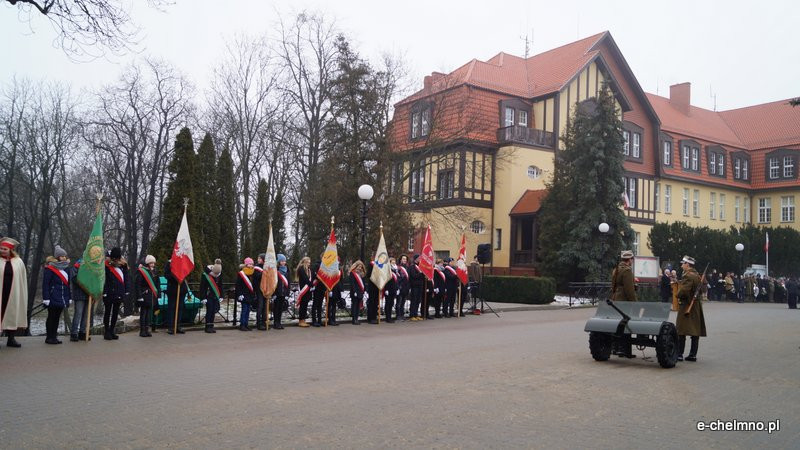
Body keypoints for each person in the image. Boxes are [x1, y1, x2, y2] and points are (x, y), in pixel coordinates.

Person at [676, 255, 706, 362]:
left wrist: (677, 294)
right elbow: (702, 289)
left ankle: (679, 354)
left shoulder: (688, 276)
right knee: (695, 331)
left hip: (686, 305)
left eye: (683, 263)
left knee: (681, 330)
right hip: (696, 306)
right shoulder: (697, 275)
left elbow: (683, 291)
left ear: (687, 265)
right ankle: (693, 355)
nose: (682, 265)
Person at [0, 237, 27, 348]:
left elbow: (22, 280)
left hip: (13, 292)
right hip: (1, 292)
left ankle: (11, 339)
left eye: (5, 249)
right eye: (1, 248)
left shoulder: (18, 262)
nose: (2, 250)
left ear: (10, 250)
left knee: (12, 314)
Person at [42, 245, 71, 344]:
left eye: (65, 256)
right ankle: (49, 337)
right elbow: (46, 284)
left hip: (62, 297)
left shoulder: (66, 269)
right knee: (51, 317)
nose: (64, 257)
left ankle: (54, 336)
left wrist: (69, 297)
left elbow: (68, 285)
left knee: (57, 317)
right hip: (52, 296)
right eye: (62, 256)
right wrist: (46, 298)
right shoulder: (50, 269)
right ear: (57, 257)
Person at [610, 250, 637, 358]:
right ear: (629, 259)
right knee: (625, 324)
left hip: (616, 299)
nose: (632, 261)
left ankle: (615, 348)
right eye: (632, 259)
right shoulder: (627, 271)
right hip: (624, 301)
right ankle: (624, 350)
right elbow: (629, 290)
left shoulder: (616, 269)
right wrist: (635, 303)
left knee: (618, 324)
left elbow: (613, 286)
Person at [102, 247, 129, 340]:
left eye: (117, 258)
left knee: (115, 313)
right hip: (109, 292)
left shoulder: (123, 265)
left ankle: (112, 330)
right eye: (114, 258)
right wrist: (104, 291)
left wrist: (126, 290)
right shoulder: (106, 265)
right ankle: (106, 331)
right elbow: (103, 279)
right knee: (108, 312)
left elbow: (126, 278)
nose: (116, 260)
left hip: (119, 291)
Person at [134, 255, 160, 337]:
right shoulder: (142, 271)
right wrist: (139, 296)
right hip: (144, 294)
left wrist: (158, 294)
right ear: (147, 263)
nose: (153, 264)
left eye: (153, 263)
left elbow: (157, 283)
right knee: (143, 313)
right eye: (151, 263)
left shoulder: (154, 271)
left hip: (151, 295)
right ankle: (142, 331)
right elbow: (138, 284)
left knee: (149, 313)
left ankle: (147, 329)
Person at [163, 257, 189, 335]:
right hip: (173, 289)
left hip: (181, 289)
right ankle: (170, 327)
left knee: (180, 308)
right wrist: (176, 276)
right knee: (171, 308)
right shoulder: (169, 263)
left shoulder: (182, 262)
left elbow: (186, 272)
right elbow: (166, 275)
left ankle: (178, 326)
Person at [69, 259, 92, 341]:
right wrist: (85, 281)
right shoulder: (77, 265)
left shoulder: (92, 267)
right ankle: (74, 333)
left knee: (86, 314)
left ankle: (82, 332)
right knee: (78, 313)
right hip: (79, 293)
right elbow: (74, 279)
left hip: (88, 293)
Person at [199, 259, 223, 333]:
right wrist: (203, 297)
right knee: (209, 311)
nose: (216, 275)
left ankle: (211, 326)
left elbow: (220, 286)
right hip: (208, 296)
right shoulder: (205, 275)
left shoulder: (219, 274)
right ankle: (207, 327)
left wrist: (221, 295)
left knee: (213, 311)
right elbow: (202, 287)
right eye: (216, 274)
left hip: (215, 295)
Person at [236, 257, 256, 331]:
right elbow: (238, 285)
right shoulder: (241, 273)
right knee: (244, 310)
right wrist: (239, 294)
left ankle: (246, 324)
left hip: (250, 294)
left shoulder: (252, 273)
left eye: (252, 264)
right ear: (246, 264)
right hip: (243, 295)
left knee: (248, 310)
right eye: (249, 264)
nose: (251, 265)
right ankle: (242, 325)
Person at [273, 254, 290, 329]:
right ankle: (275, 323)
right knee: (276, 308)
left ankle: (279, 322)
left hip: (284, 292)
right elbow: (273, 282)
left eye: (284, 261)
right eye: (282, 261)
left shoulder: (287, 270)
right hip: (277, 292)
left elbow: (289, 281)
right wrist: (274, 293)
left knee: (281, 308)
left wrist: (288, 292)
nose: (283, 262)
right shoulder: (276, 270)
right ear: (279, 262)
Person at [295, 257, 313, 327]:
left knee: (305, 305)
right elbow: (305, 278)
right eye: (308, 262)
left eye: (309, 262)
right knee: (302, 305)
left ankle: (303, 320)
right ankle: (301, 320)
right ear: (304, 262)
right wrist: (310, 284)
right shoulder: (301, 269)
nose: (309, 264)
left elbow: (310, 278)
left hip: (308, 289)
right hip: (303, 289)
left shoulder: (308, 269)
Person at [252, 253, 267, 330]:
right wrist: (263, 272)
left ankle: (264, 322)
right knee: (260, 306)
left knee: (265, 307)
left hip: (265, 289)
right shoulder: (256, 268)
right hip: (259, 289)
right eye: (258, 258)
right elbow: (256, 277)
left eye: (260, 258)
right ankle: (258, 323)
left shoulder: (266, 267)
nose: (258, 260)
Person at [408, 254, 424, 321]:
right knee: (414, 301)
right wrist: (421, 273)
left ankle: (416, 314)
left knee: (418, 301)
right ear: (415, 259)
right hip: (414, 286)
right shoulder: (412, 267)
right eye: (418, 258)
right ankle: (412, 315)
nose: (420, 259)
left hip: (420, 285)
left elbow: (422, 276)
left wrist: (422, 274)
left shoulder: (420, 266)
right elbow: (413, 276)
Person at [382, 258, 398, 323]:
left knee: (391, 303)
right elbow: (386, 280)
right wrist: (386, 289)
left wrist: (397, 288)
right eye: (392, 261)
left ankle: (390, 317)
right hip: (388, 289)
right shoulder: (388, 269)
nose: (393, 262)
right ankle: (387, 317)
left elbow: (397, 280)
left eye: (394, 261)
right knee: (388, 303)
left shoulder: (396, 269)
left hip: (394, 288)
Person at [395, 255, 410, 320]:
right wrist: (398, 287)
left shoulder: (407, 267)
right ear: (400, 259)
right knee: (399, 302)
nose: (404, 260)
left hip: (405, 287)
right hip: (400, 287)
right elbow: (397, 278)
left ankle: (402, 314)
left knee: (403, 302)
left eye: (405, 259)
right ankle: (398, 315)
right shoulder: (398, 268)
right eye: (403, 259)